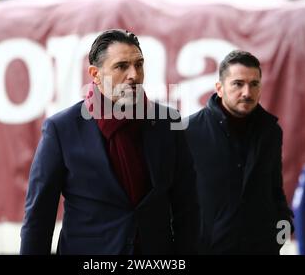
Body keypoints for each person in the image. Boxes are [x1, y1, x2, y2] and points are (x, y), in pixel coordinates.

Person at [20, 29, 199, 255]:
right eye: (121, 66)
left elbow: (188, 205)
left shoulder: (167, 122)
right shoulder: (62, 129)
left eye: (139, 64)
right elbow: (39, 216)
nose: (134, 74)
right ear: (95, 74)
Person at [185, 50, 294, 255]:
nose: (247, 92)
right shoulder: (188, 131)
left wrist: (280, 232)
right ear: (219, 88)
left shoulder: (271, 131)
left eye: (254, 84)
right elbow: (173, 198)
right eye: (238, 83)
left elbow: (274, 189)